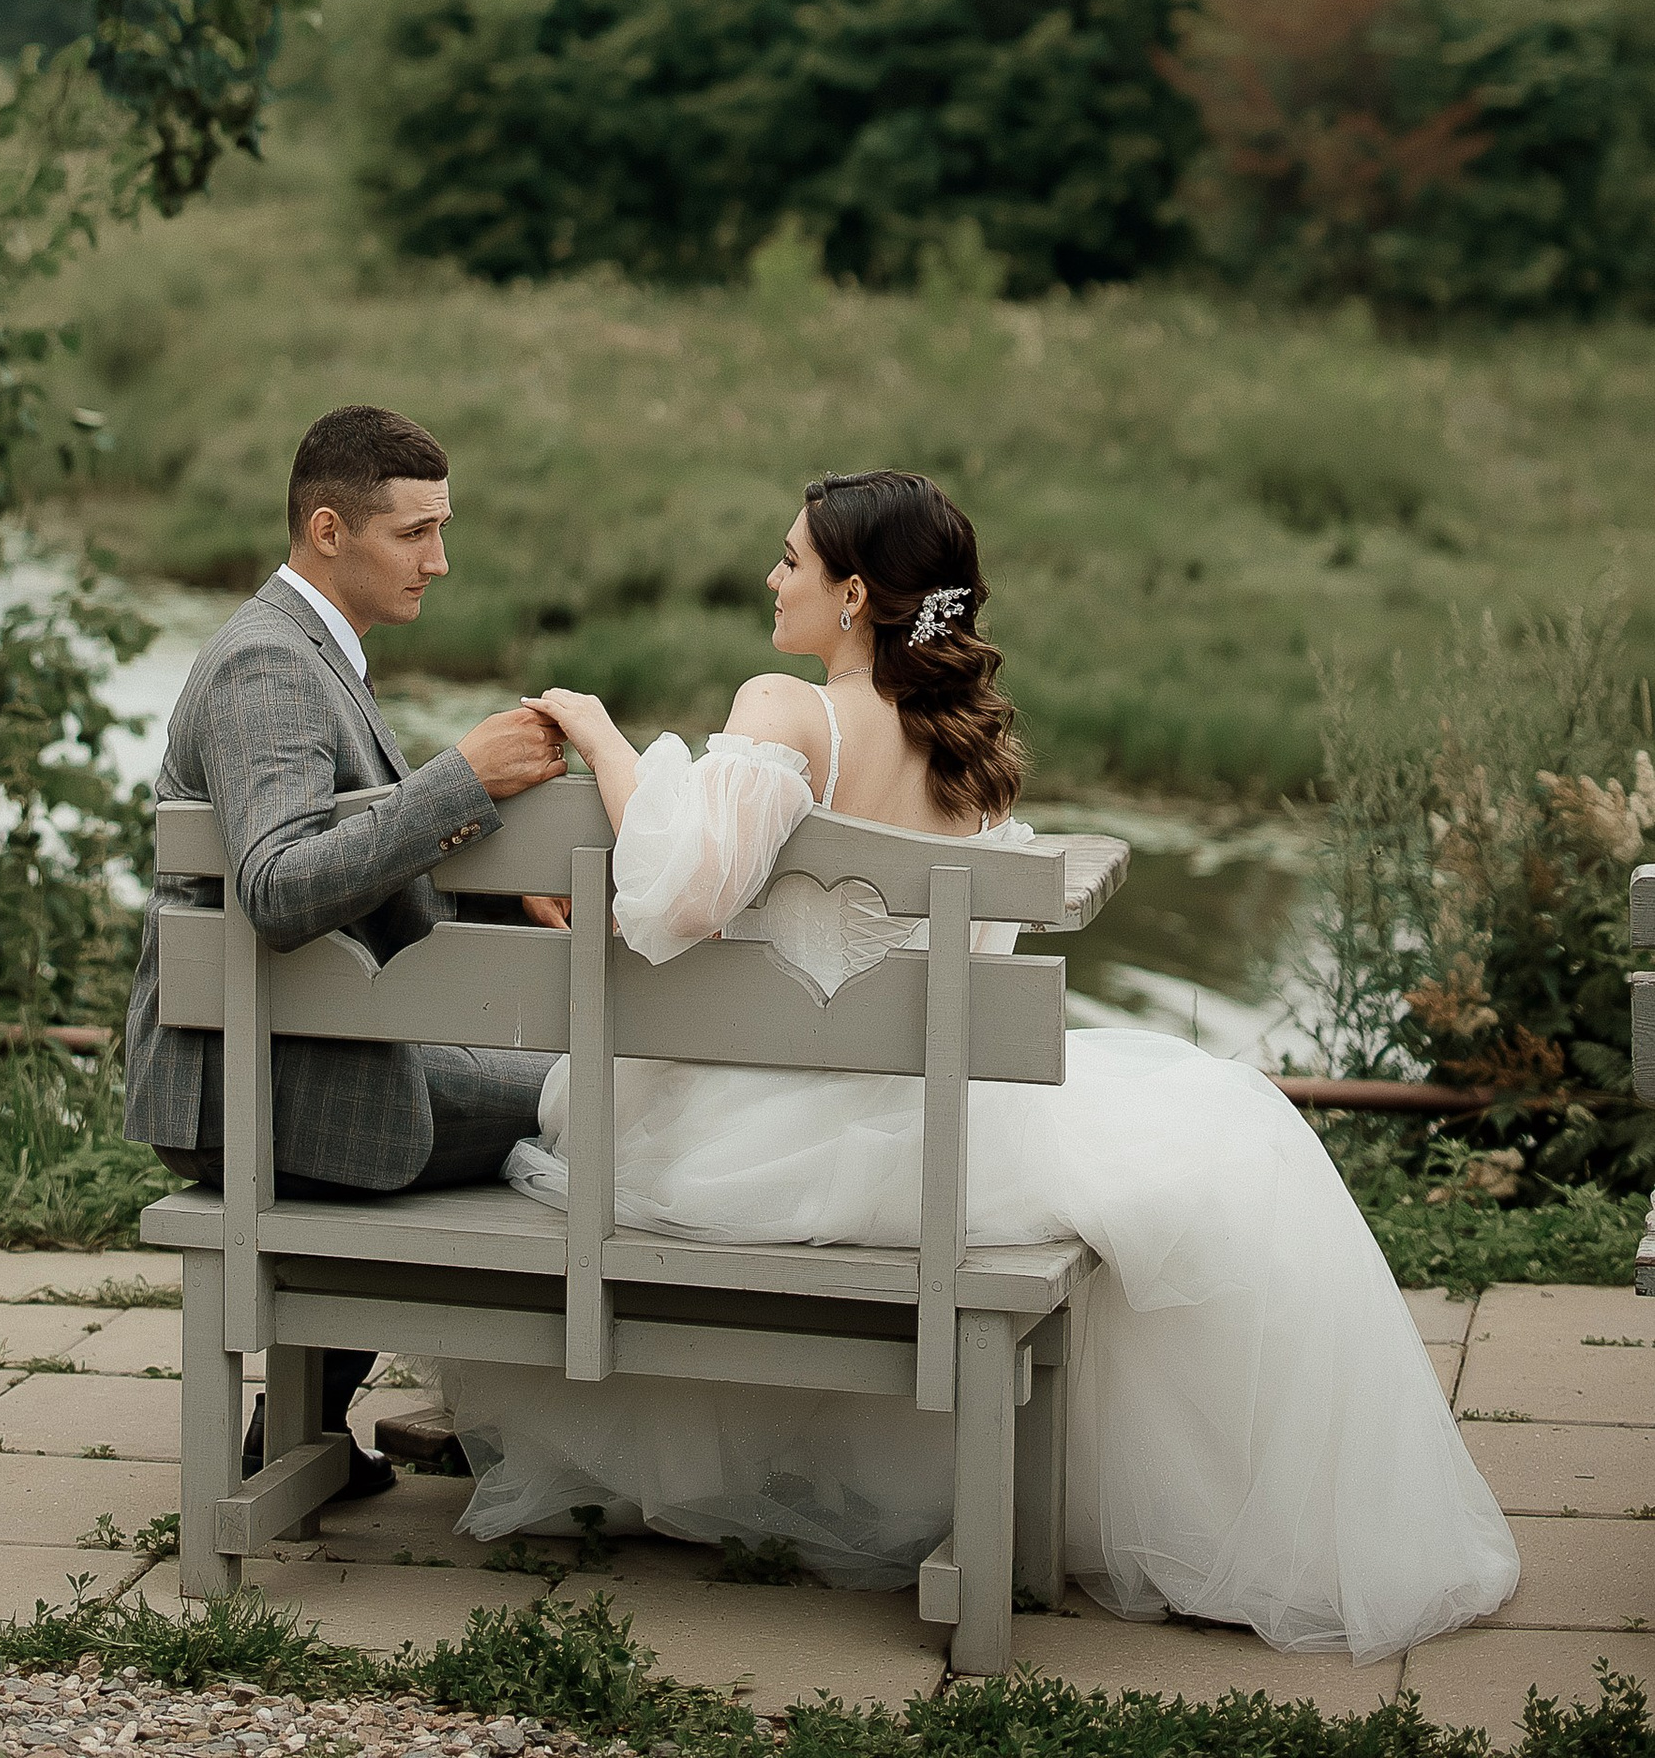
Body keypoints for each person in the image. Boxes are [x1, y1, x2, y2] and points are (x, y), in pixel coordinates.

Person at [436, 467, 1519, 1665]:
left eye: (789, 559)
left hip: (757, 1146)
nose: (770, 576)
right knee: (1211, 1130)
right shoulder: (962, 752)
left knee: (576, 1116)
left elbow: (676, 893)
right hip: (936, 1130)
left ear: (853, 596)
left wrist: (597, 733)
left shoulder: (790, 711)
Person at [123, 401, 567, 1496]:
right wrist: (457, 780)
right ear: (329, 531)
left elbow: (351, 861)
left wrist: (502, 894)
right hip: (265, 1084)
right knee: (596, 1094)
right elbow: (278, 888)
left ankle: (311, 1425)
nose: (440, 560)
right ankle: (543, 1432)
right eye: (413, 533)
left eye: (441, 529)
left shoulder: (308, 650)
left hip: (300, 1051)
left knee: (585, 1086)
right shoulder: (266, 668)